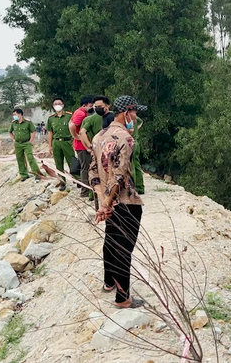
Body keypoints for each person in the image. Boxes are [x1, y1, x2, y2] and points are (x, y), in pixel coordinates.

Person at [90, 95, 148, 309]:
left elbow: (93, 172)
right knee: (124, 247)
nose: (136, 117)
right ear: (127, 113)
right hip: (125, 200)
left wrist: (103, 201)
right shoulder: (126, 138)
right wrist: (108, 203)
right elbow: (119, 175)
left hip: (107, 199)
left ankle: (108, 283)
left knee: (111, 240)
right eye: (135, 113)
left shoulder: (98, 137)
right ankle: (123, 298)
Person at [46, 98, 75, 191]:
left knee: (72, 161)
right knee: (58, 163)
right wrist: (50, 146)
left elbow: (74, 128)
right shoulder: (51, 118)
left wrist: (74, 140)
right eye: (55, 104)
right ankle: (62, 182)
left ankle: (77, 179)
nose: (57, 105)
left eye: (59, 103)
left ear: (63, 105)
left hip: (67, 142)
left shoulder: (69, 116)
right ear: (53, 106)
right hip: (56, 142)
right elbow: (50, 132)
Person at [70, 95, 94, 197]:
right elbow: (71, 125)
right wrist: (76, 136)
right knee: (85, 168)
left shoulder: (80, 112)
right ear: (84, 105)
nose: (92, 107)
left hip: (83, 145)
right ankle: (85, 191)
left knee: (87, 167)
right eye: (90, 105)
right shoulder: (80, 113)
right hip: (82, 146)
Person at [9, 108, 41, 181]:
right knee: (20, 159)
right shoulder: (14, 123)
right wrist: (13, 139)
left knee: (30, 158)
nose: (14, 116)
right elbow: (10, 132)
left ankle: (37, 174)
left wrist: (30, 141)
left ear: (20, 114)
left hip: (26, 143)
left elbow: (33, 131)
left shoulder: (28, 122)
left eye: (15, 114)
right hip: (18, 144)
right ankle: (24, 175)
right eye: (13, 115)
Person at [129, 116, 145, 195]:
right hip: (135, 142)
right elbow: (141, 122)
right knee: (136, 165)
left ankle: (132, 188)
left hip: (129, 143)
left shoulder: (126, 118)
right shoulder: (134, 117)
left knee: (131, 167)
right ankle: (140, 187)